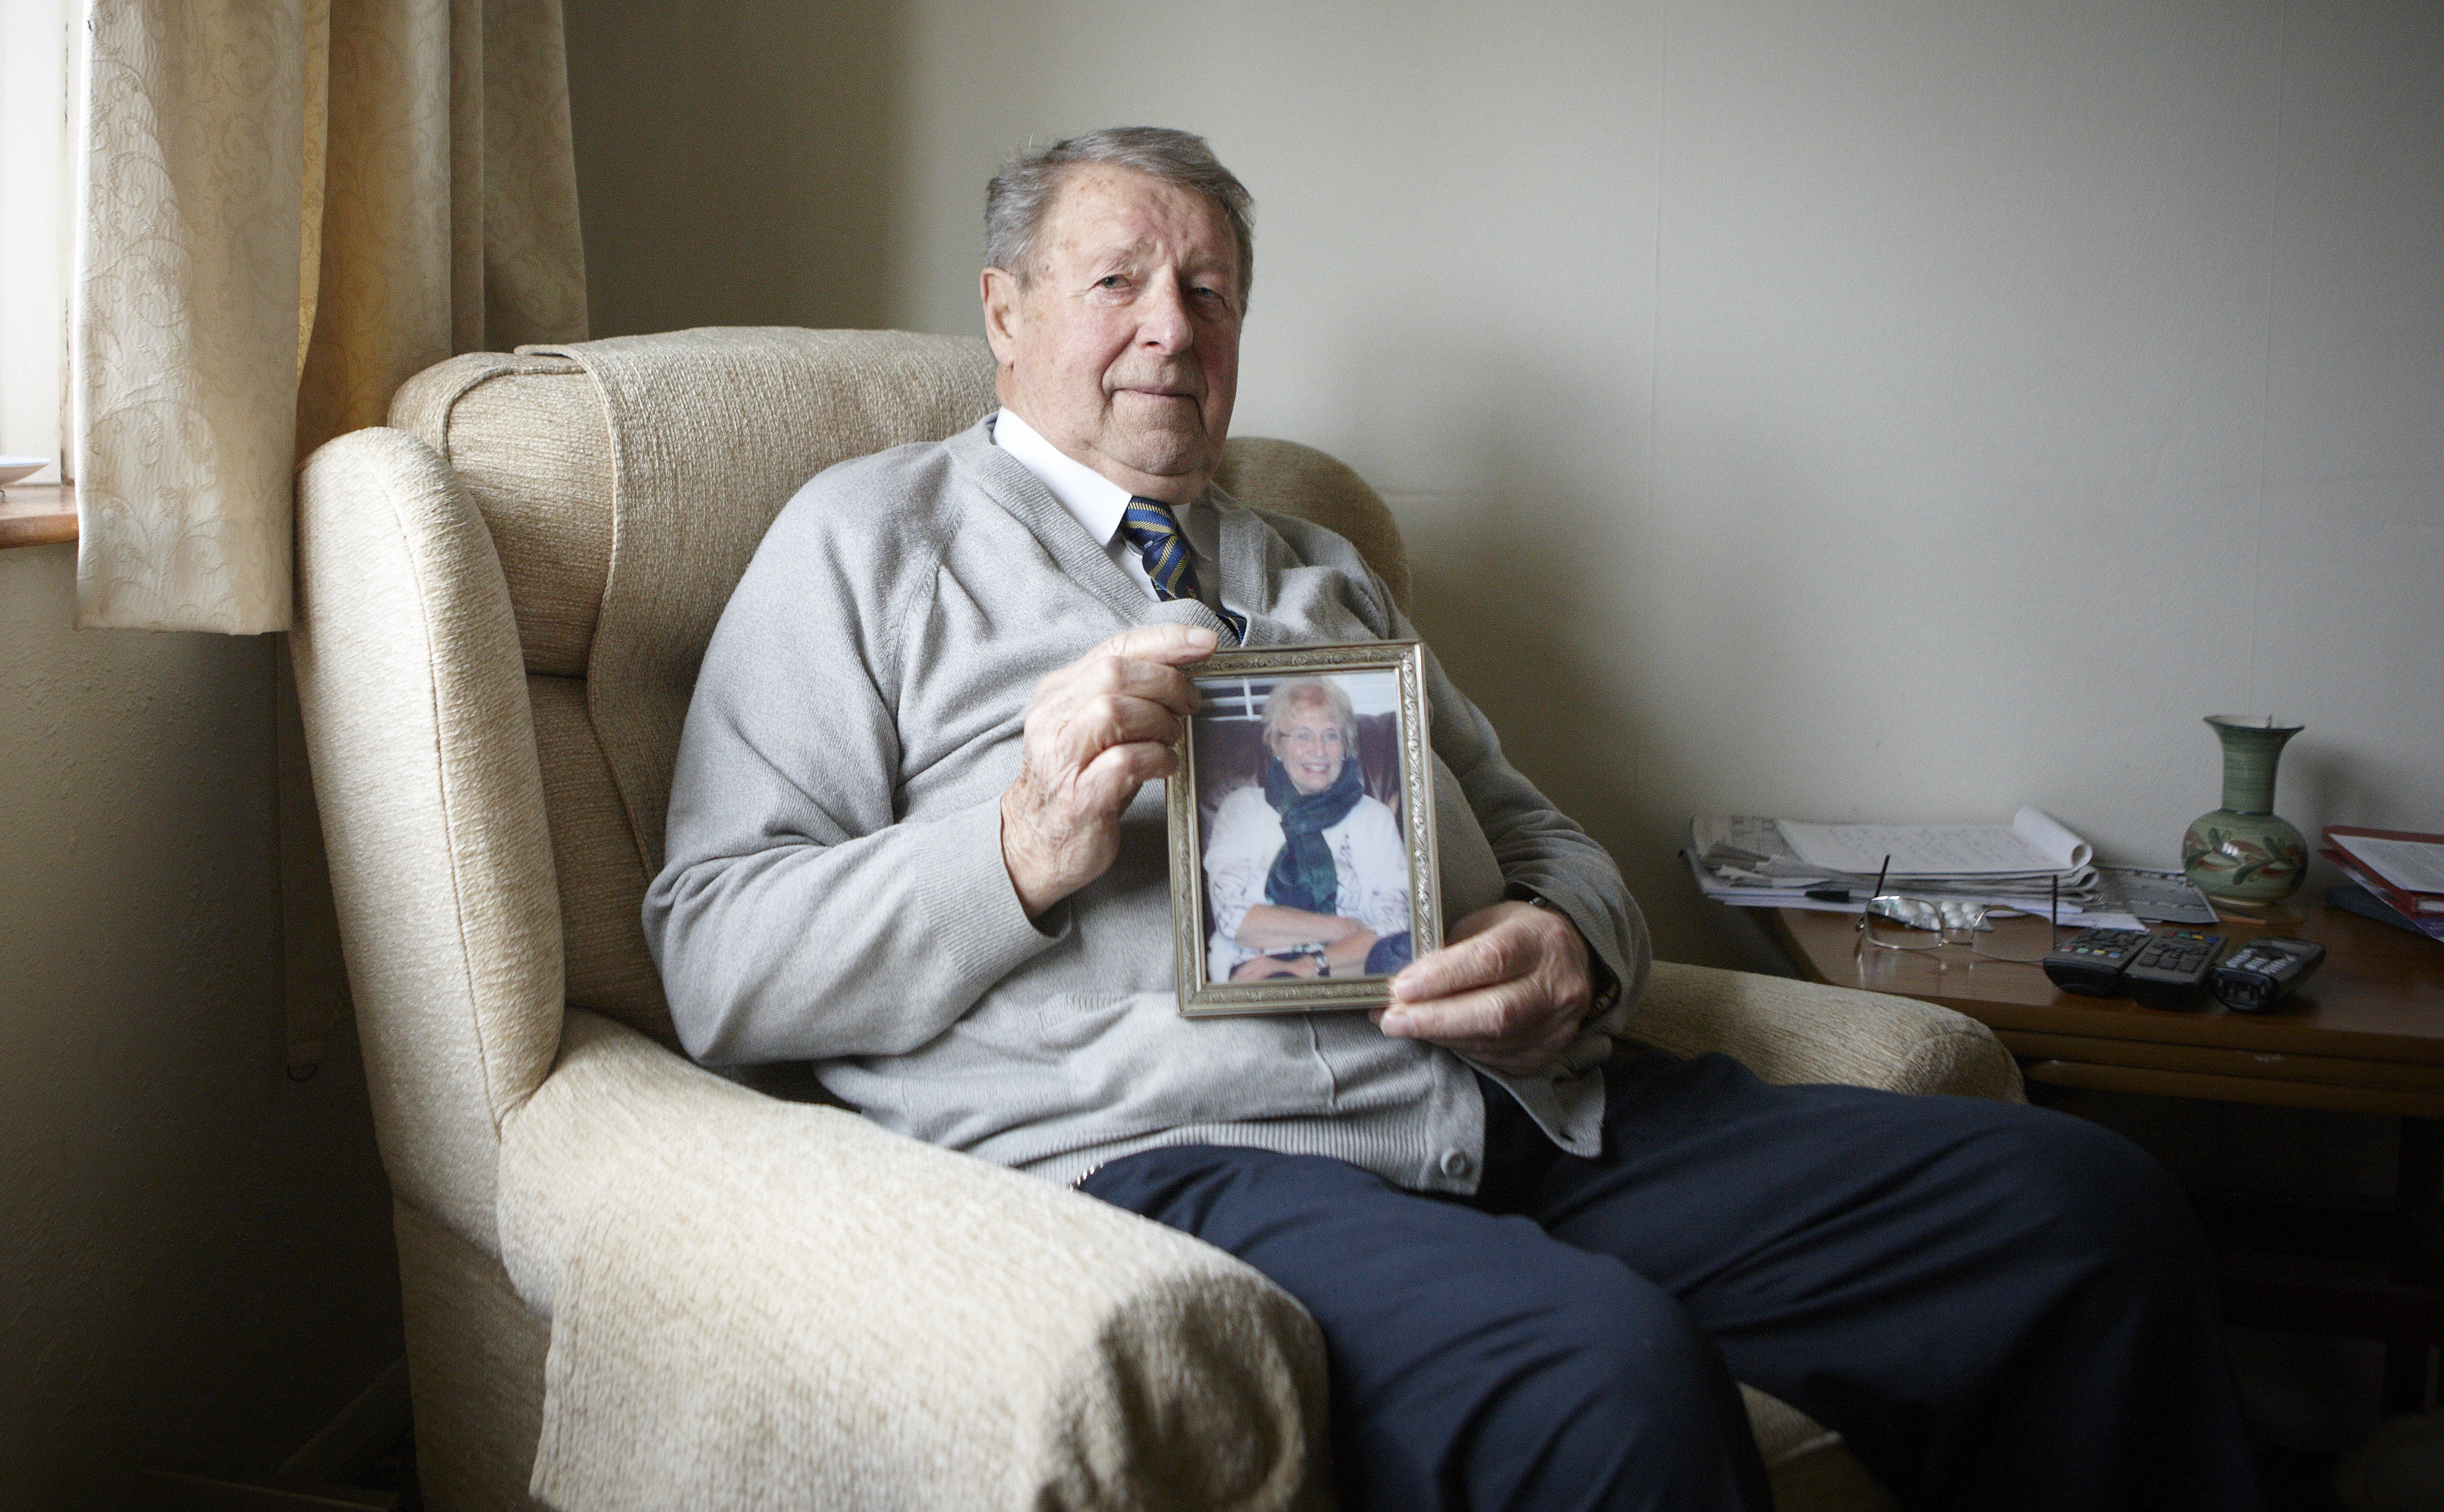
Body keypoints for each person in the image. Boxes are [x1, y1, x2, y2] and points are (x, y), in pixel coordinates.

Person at [647, 126, 2263, 1512]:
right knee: (1606, 1382)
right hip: (1200, 1166)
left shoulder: (1313, 567)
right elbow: (714, 964)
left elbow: (1548, 837)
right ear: (1002, 314)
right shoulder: (867, 542)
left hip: (1527, 1118)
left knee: (2081, 1214)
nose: (1172, 327)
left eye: (1211, 292)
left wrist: (1573, 949)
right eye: (1118, 280)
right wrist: (1012, 847)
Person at [1205, 676, 1415, 982]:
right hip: (1253, 967)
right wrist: (1342, 928)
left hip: (1349, 967)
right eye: (1303, 736)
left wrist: (1306, 966)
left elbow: (1396, 924)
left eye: (1331, 736)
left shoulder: (1375, 817)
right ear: (1277, 744)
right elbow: (1233, 918)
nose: (1319, 751)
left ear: (1345, 745)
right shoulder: (1243, 808)